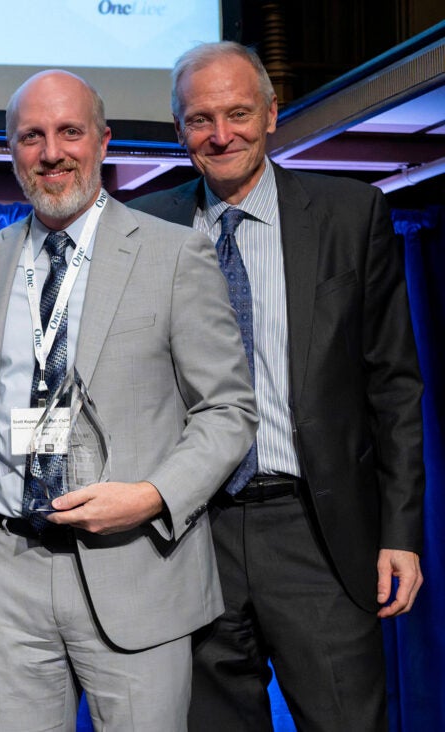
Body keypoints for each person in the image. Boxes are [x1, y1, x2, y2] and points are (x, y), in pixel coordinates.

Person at [130, 41, 424, 730]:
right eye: (200, 119)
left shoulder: (352, 216)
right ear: (179, 130)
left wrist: (402, 533)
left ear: (271, 114)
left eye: (237, 113)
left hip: (316, 531)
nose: (220, 134)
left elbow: (394, 387)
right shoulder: (142, 225)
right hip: (191, 535)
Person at [0, 69, 257, 730]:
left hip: (136, 565)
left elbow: (229, 411)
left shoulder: (177, 255)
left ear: (103, 141)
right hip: (9, 573)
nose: (51, 152)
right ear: (11, 150)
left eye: (70, 132)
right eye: (31, 136)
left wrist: (152, 496)